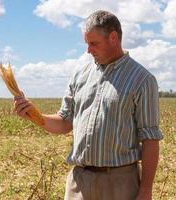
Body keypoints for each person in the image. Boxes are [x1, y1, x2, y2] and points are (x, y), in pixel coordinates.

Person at [14, 10, 163, 200]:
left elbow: (150, 139)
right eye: (86, 43)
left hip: (120, 184)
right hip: (79, 183)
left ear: (113, 38)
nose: (88, 50)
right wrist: (34, 115)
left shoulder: (142, 80)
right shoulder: (80, 74)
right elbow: (64, 121)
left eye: (94, 43)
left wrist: (145, 191)